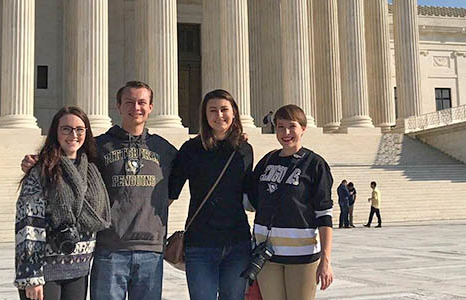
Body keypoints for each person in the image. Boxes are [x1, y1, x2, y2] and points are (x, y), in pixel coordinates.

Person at [21, 81, 178, 300]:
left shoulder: (165, 150)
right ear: (118, 106)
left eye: (142, 102)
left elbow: (171, 192)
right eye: (129, 102)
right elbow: (70, 161)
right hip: (110, 248)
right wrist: (40, 162)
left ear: (151, 107)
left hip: (150, 248)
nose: (136, 108)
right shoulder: (99, 146)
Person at [14, 106, 112, 300]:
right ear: (55, 133)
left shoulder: (92, 170)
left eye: (79, 129)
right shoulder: (42, 171)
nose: (73, 135)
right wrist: (32, 276)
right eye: (66, 129)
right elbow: (28, 224)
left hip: (79, 269)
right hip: (45, 271)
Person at [169, 89, 254, 300]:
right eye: (213, 110)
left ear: (234, 112)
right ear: (205, 116)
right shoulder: (190, 149)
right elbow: (171, 192)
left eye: (224, 109)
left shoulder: (244, 149)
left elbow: (250, 192)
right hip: (200, 243)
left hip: (237, 242)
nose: (219, 115)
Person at [249, 104, 334, 300]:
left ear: (303, 128)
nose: (286, 132)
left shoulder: (315, 164)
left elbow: (324, 215)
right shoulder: (267, 161)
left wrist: (325, 260)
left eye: (292, 126)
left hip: (301, 257)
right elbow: (250, 199)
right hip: (266, 255)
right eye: (280, 127)